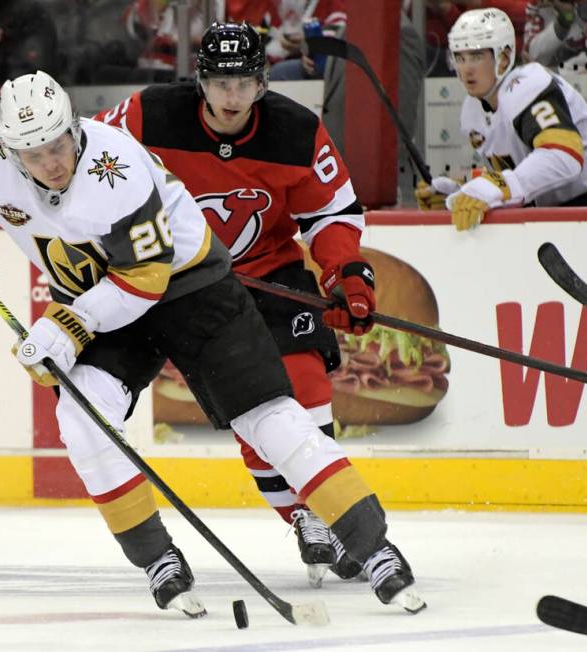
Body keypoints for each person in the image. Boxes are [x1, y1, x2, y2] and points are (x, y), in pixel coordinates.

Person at [0, 70, 426, 616]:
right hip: (100, 297)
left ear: (76, 130)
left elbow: (144, 280)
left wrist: (67, 324)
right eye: (35, 155)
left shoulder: (116, 168)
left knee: (270, 416)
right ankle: (157, 558)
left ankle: (374, 548)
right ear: (11, 155)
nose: (53, 163)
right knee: (83, 422)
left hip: (189, 284)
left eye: (60, 144)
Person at [94, 21, 411, 592]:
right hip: (184, 286)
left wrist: (348, 277)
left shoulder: (296, 130)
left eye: (243, 83)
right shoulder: (148, 116)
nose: (231, 96)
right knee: (251, 410)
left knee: (306, 385)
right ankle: (304, 516)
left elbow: (332, 214)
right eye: (219, 82)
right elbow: (88, 166)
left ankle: (326, 509)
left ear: (263, 81)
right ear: (200, 81)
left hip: (269, 277)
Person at [415, 7, 587, 230]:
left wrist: (498, 187)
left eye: (477, 56)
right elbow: (518, 174)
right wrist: (462, 190)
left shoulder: (526, 84)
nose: (466, 68)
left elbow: (563, 156)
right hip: (576, 198)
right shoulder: (472, 112)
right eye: (460, 57)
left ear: (503, 57)